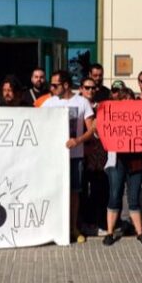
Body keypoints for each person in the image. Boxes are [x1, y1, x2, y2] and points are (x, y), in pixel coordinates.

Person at [42, 70, 96, 243]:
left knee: (74, 194)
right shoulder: (49, 103)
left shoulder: (82, 102)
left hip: (75, 156)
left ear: (65, 85)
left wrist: (78, 140)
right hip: (53, 158)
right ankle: (55, 228)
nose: (52, 88)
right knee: (54, 192)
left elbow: (92, 129)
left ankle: (73, 228)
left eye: (55, 85)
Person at [102, 147, 142, 246]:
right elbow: (100, 133)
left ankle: (140, 233)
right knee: (114, 196)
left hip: (137, 159)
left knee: (134, 198)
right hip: (117, 160)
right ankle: (110, 233)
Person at [79, 77, 108, 236]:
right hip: (80, 154)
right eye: (87, 87)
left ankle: (98, 222)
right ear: (81, 88)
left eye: (93, 88)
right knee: (82, 191)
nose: (90, 90)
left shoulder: (103, 108)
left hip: (98, 156)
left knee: (99, 191)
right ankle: (83, 223)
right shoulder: (76, 105)